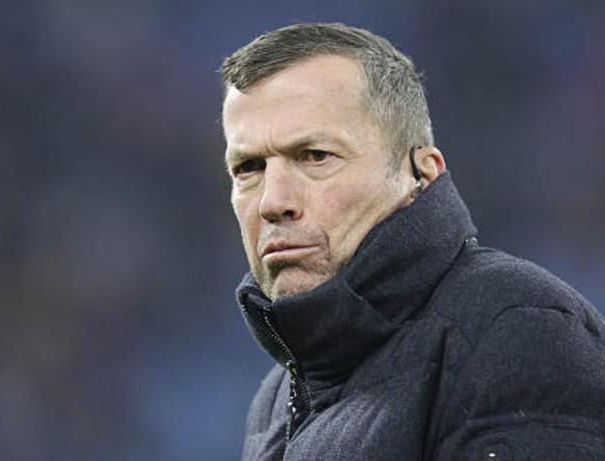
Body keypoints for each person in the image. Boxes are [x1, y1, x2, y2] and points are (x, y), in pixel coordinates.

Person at [219, 22, 605, 460]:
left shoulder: (517, 329)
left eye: (315, 156)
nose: (272, 202)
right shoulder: (274, 398)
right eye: (248, 168)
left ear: (421, 174)